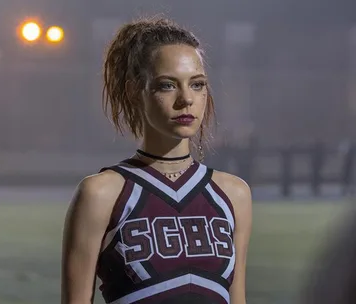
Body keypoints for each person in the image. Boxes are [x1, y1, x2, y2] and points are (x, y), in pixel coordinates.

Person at [61, 16, 252, 304]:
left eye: (197, 85)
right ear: (133, 91)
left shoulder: (233, 194)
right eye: (167, 85)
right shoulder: (102, 193)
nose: (186, 99)